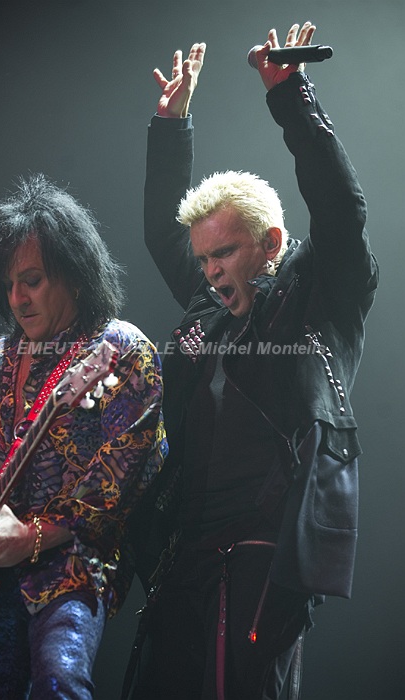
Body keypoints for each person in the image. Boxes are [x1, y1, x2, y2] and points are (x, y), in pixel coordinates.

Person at [123, 21, 378, 700]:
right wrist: (170, 126)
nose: (209, 271)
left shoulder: (318, 297)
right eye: (203, 258)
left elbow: (339, 209)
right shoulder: (210, 311)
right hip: (186, 554)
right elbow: (161, 236)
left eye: (224, 253)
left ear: (269, 243)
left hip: (265, 555)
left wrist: (290, 97)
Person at [0, 173, 167, 699]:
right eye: (8, 285)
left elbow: (117, 482)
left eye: (33, 280)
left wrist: (31, 536)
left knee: (58, 680)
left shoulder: (120, 351)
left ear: (75, 275)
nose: (17, 298)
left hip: (69, 567)